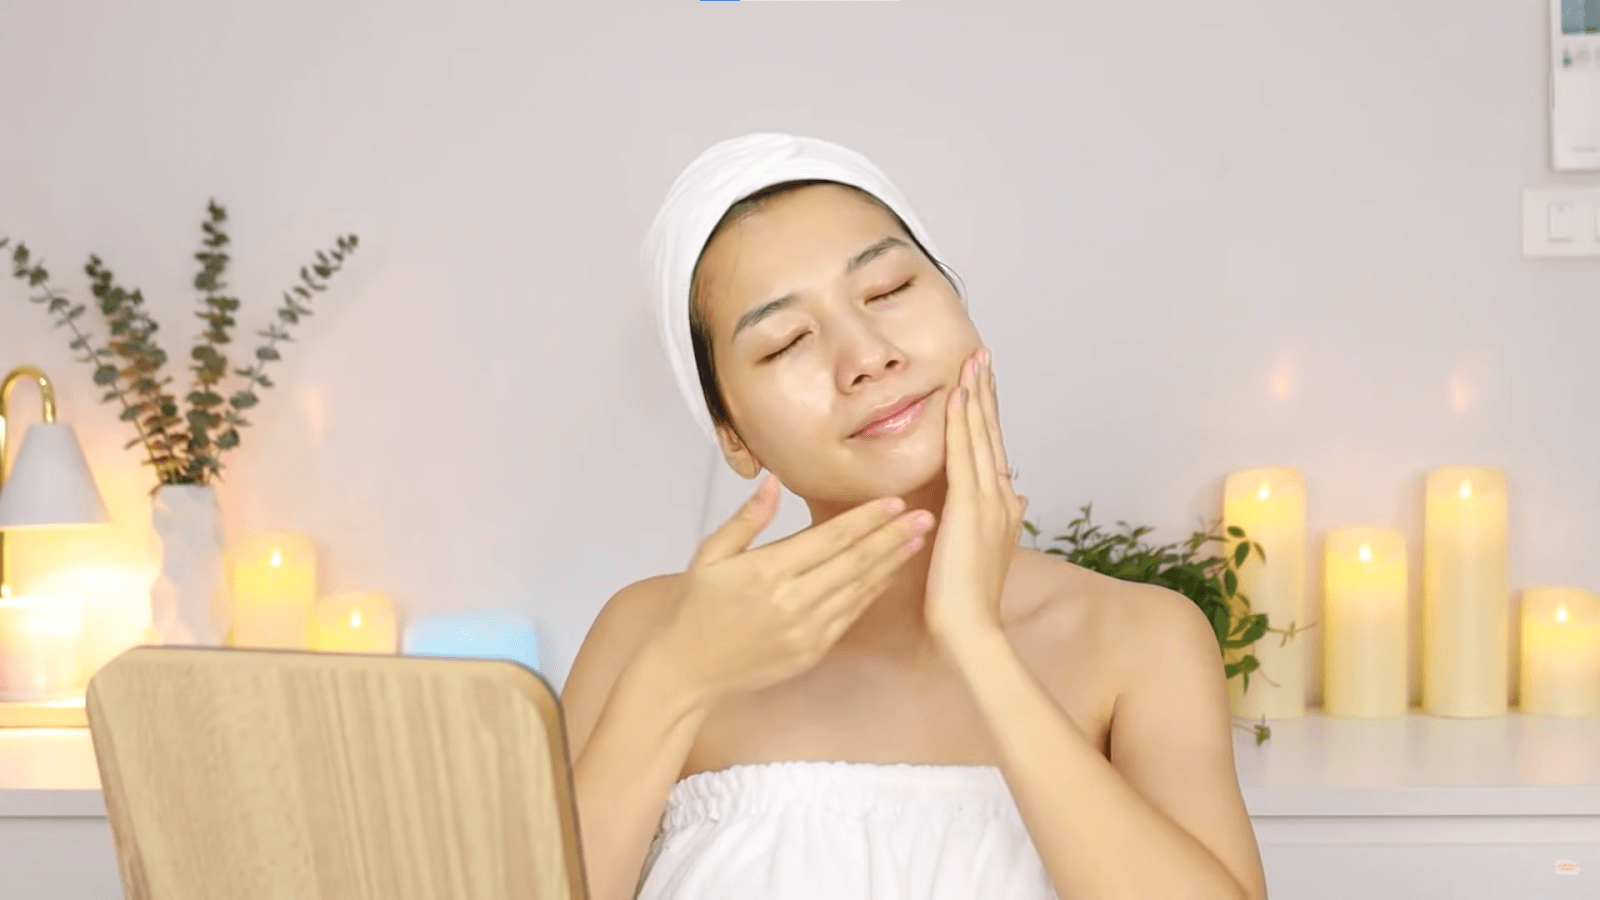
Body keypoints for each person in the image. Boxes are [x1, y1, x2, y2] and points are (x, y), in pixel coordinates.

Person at [562, 133, 1267, 900]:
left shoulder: (1141, 640)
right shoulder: (647, 638)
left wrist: (977, 640)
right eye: (787, 341)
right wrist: (674, 681)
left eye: (889, 289)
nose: (866, 355)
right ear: (732, 434)